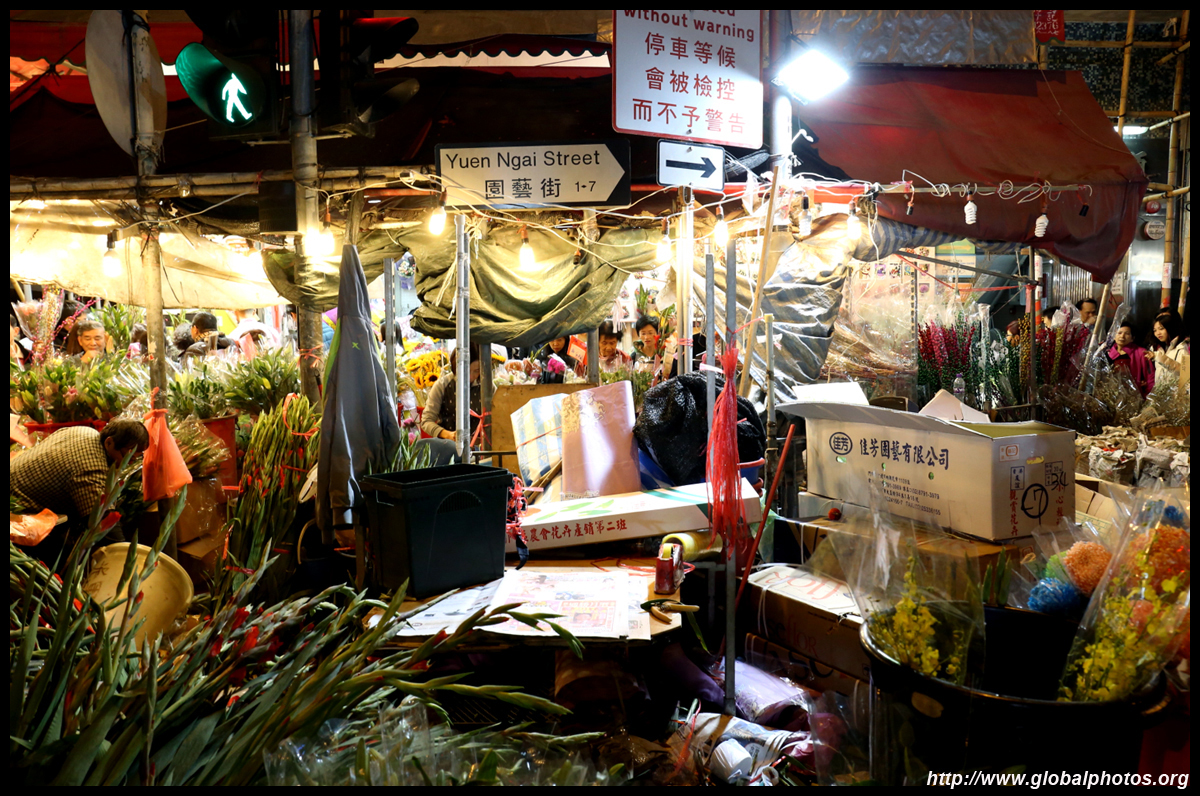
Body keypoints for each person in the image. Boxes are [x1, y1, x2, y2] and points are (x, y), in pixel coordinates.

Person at [10, 419, 150, 568]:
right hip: (18, 515)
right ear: (109, 442)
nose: (129, 463)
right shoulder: (91, 469)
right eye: (128, 456)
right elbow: (102, 523)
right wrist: (126, 558)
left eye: (136, 458)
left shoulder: (86, 431)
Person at [420, 344, 482, 463]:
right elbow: (426, 421)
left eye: (476, 371)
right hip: (448, 452)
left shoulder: (486, 387)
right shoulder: (442, 385)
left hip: (479, 452)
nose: (471, 376)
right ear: (456, 366)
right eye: (466, 371)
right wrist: (448, 435)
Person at [1106, 321, 1154, 397]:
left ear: (1132, 338)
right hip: (1113, 394)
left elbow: (1150, 376)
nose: (1122, 336)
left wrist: (1149, 396)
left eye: (1127, 334)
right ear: (1114, 336)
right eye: (1119, 333)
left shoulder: (1141, 352)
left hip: (1134, 395)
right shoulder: (1108, 353)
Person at [1144, 312, 1188, 383]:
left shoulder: (1182, 347)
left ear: (1170, 328)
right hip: (1160, 388)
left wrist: (1158, 357)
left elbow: (1183, 371)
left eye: (1161, 329)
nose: (1158, 333)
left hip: (1175, 389)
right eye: (1155, 330)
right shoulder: (1157, 347)